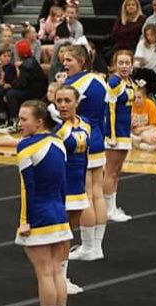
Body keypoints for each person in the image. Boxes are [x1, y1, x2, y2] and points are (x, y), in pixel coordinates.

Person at [16, 100, 72, 306]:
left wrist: (25, 221)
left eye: (24, 119)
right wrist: (63, 211)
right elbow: (62, 183)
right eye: (19, 119)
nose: (19, 124)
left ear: (40, 121)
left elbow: (27, 188)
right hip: (59, 213)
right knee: (58, 273)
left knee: (45, 274)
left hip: (38, 214)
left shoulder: (26, 147)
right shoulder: (59, 143)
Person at [63, 45, 108, 259]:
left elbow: (66, 115)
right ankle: (96, 246)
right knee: (98, 193)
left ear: (81, 61)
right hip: (98, 137)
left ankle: (88, 246)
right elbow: (105, 113)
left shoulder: (73, 84)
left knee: (86, 194)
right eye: (64, 59)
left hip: (83, 138)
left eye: (69, 60)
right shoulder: (100, 80)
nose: (65, 63)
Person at [54, 85, 91, 295]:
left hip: (78, 187)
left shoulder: (85, 125)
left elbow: (85, 158)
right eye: (59, 101)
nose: (63, 105)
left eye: (67, 101)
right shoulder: (57, 128)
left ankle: (63, 277)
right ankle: (56, 278)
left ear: (77, 102)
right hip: (61, 188)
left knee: (68, 234)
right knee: (59, 235)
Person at [104, 50, 136, 222]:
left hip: (125, 131)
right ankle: (107, 209)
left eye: (127, 63)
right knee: (110, 170)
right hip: (115, 132)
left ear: (132, 65)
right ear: (115, 65)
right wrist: (111, 135)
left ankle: (113, 207)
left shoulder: (130, 82)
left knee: (116, 171)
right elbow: (110, 109)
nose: (124, 66)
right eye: (121, 63)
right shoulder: (114, 82)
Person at [3, 40, 47, 134]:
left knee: (11, 94)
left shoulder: (26, 66)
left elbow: (21, 84)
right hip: (36, 89)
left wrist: (11, 84)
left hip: (35, 92)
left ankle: (14, 122)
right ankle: (5, 120)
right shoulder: (32, 61)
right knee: (5, 92)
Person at [133, 23, 156, 95]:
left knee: (145, 73)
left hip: (153, 72)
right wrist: (141, 63)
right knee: (141, 72)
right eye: (147, 35)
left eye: (151, 35)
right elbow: (136, 61)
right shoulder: (141, 43)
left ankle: (141, 92)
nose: (149, 37)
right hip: (141, 70)